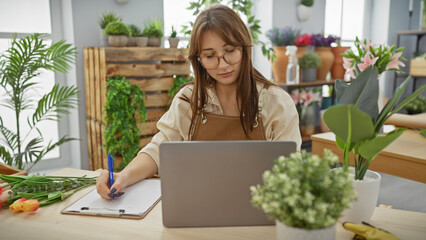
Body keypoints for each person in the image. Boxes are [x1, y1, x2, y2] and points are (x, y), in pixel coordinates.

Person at [96, 4, 301, 200]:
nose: (222, 65)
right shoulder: (188, 100)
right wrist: (124, 176)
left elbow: (292, 171)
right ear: (199, 60)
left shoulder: (277, 103)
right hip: (197, 204)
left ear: (244, 48)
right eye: (210, 56)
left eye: (230, 51)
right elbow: (158, 150)